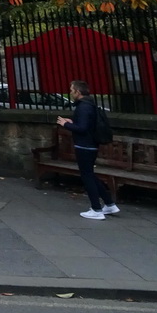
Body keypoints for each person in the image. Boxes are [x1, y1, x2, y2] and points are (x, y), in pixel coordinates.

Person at [56, 79, 119, 220]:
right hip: (90, 144)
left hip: (85, 145)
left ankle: (96, 208)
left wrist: (65, 124)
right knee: (90, 174)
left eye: (72, 90)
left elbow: (82, 129)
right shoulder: (89, 105)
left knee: (87, 176)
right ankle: (109, 204)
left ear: (78, 92)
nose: (70, 93)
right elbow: (86, 124)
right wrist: (73, 122)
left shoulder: (83, 107)